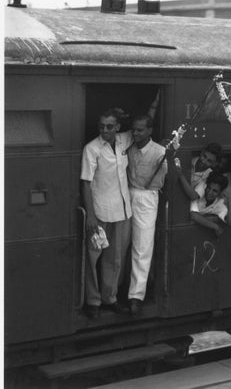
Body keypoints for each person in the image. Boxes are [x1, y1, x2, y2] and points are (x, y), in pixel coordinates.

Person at [81, 108, 134, 318]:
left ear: (118, 127)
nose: (105, 129)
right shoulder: (91, 149)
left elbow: (146, 122)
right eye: (101, 126)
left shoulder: (124, 139)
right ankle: (92, 302)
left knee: (116, 259)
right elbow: (85, 183)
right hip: (100, 212)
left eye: (110, 126)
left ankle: (109, 299)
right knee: (93, 259)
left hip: (122, 212)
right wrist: (91, 215)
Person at [125, 114, 168, 316]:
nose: (135, 133)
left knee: (142, 247)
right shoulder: (129, 148)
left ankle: (136, 296)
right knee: (122, 244)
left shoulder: (161, 152)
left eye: (140, 130)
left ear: (150, 131)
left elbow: (162, 178)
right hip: (125, 195)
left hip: (146, 198)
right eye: (134, 129)